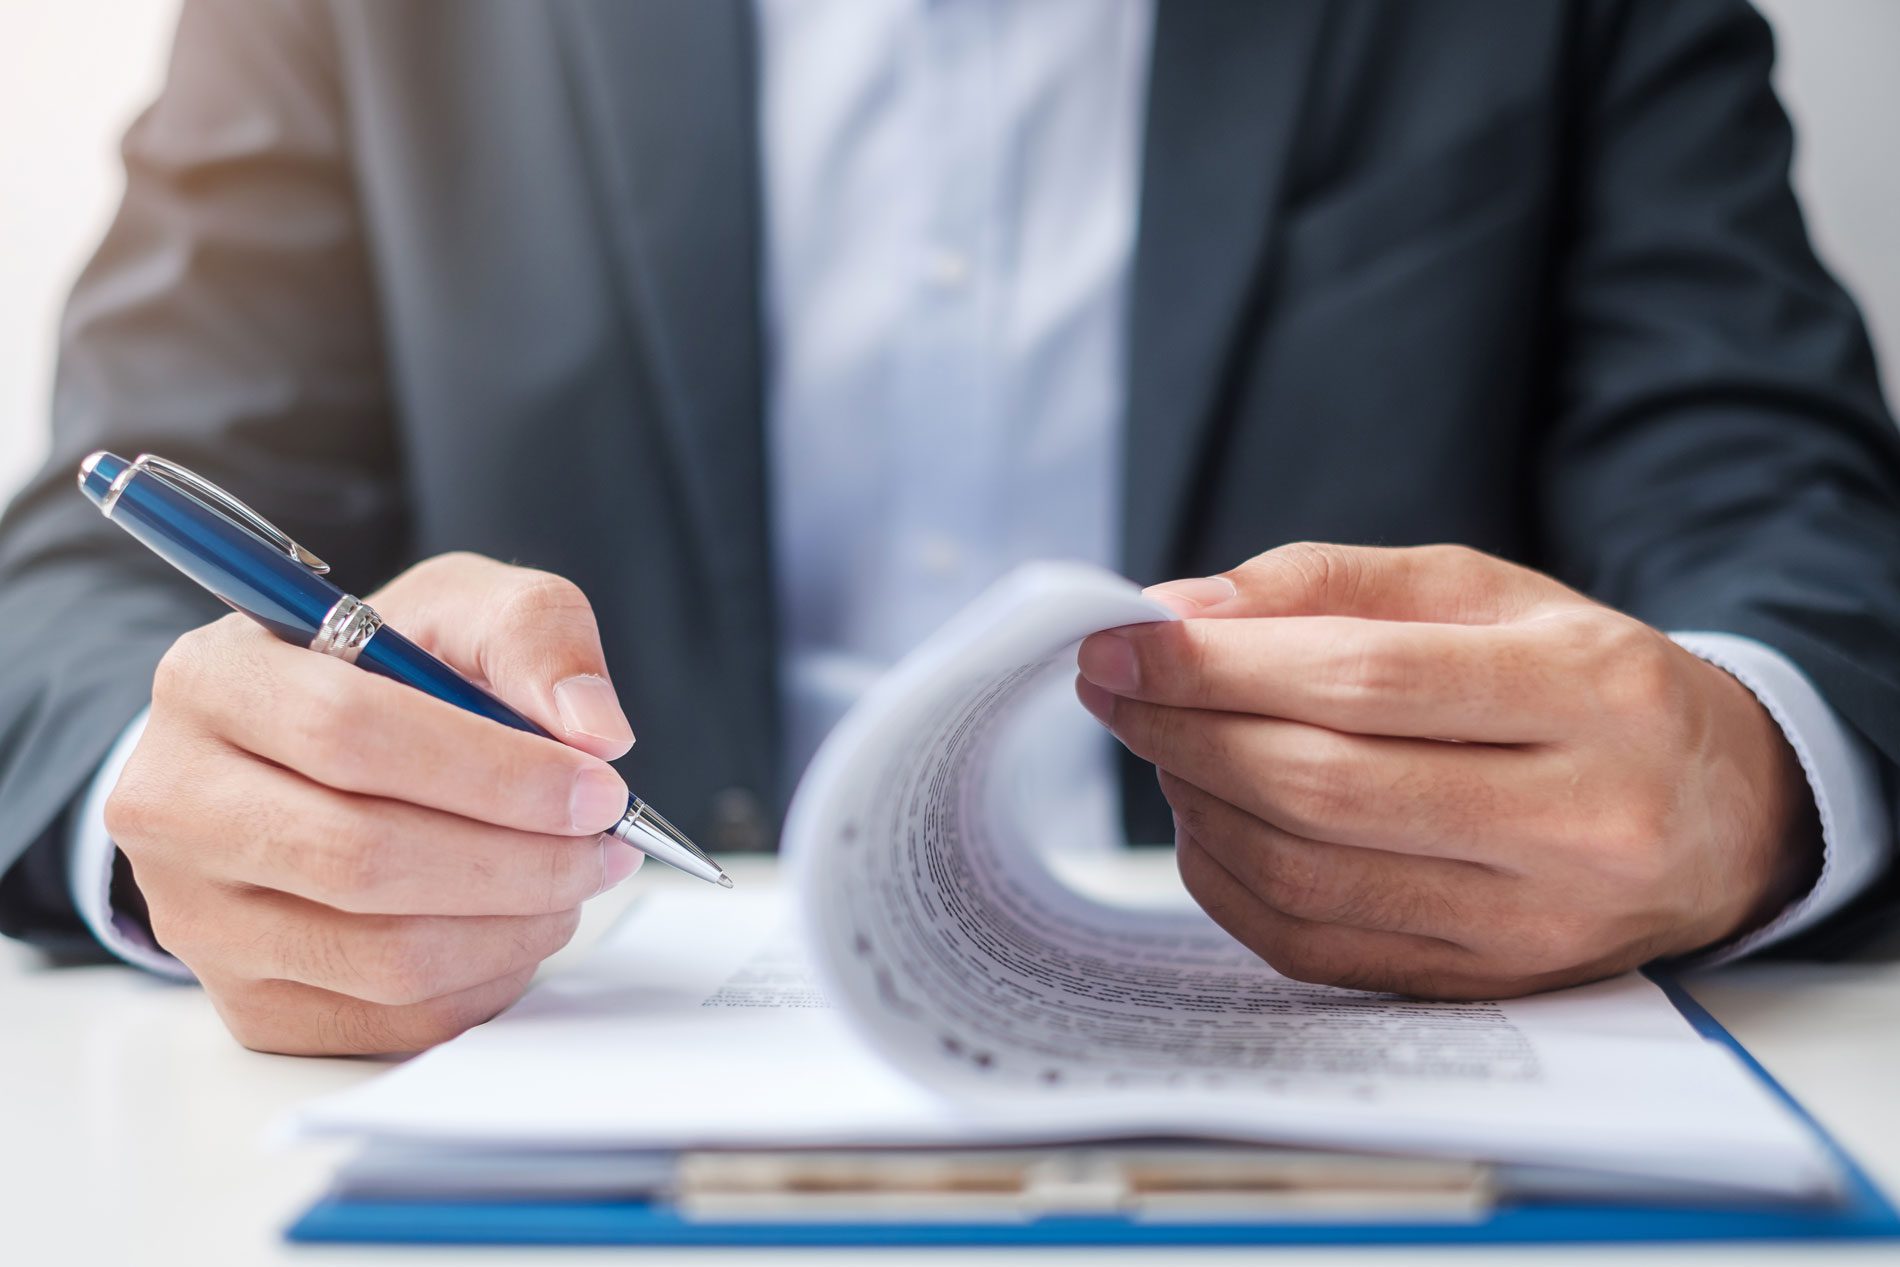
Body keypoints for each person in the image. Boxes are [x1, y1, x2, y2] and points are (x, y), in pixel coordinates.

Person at [1, 0, 1896, 1056]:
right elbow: (85, 584)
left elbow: (1787, 510)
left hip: (1356, 1097)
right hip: (575, 1061)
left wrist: (1739, 778)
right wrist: (209, 817)